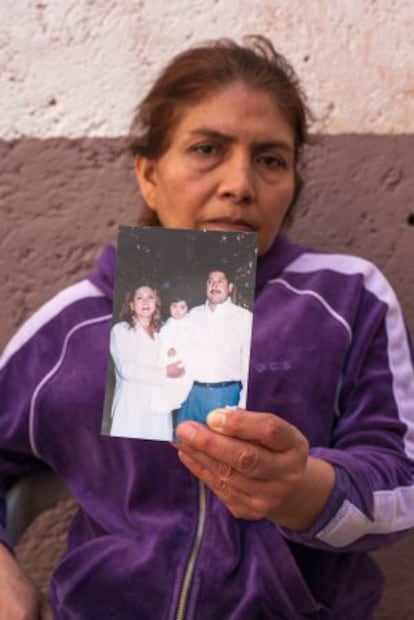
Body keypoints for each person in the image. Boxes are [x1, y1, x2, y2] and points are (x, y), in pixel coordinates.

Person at [0, 35, 414, 620]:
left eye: (271, 159)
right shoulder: (73, 325)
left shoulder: (347, 299)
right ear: (149, 173)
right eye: (207, 149)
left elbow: (402, 482)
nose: (240, 184)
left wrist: (303, 491)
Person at [176, 269, 253, 426]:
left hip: (227, 395)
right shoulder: (192, 315)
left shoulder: (245, 318)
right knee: (182, 445)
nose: (214, 285)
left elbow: (248, 364)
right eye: (210, 281)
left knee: (221, 448)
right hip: (191, 394)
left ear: (230, 287)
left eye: (220, 281)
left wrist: (243, 404)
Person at [109, 285, 183, 440]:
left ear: (156, 303)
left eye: (150, 297)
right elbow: (127, 369)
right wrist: (166, 373)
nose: (145, 302)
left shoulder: (163, 332)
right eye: (139, 297)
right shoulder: (121, 330)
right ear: (131, 305)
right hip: (132, 407)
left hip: (159, 407)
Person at [151, 293, 194, 422]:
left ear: (188, 309)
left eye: (182, 307)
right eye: (174, 306)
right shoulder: (168, 323)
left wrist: (176, 348)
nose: (178, 311)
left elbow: (189, 342)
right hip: (164, 361)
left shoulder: (188, 324)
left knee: (177, 386)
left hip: (180, 360)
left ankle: (171, 402)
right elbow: (162, 339)